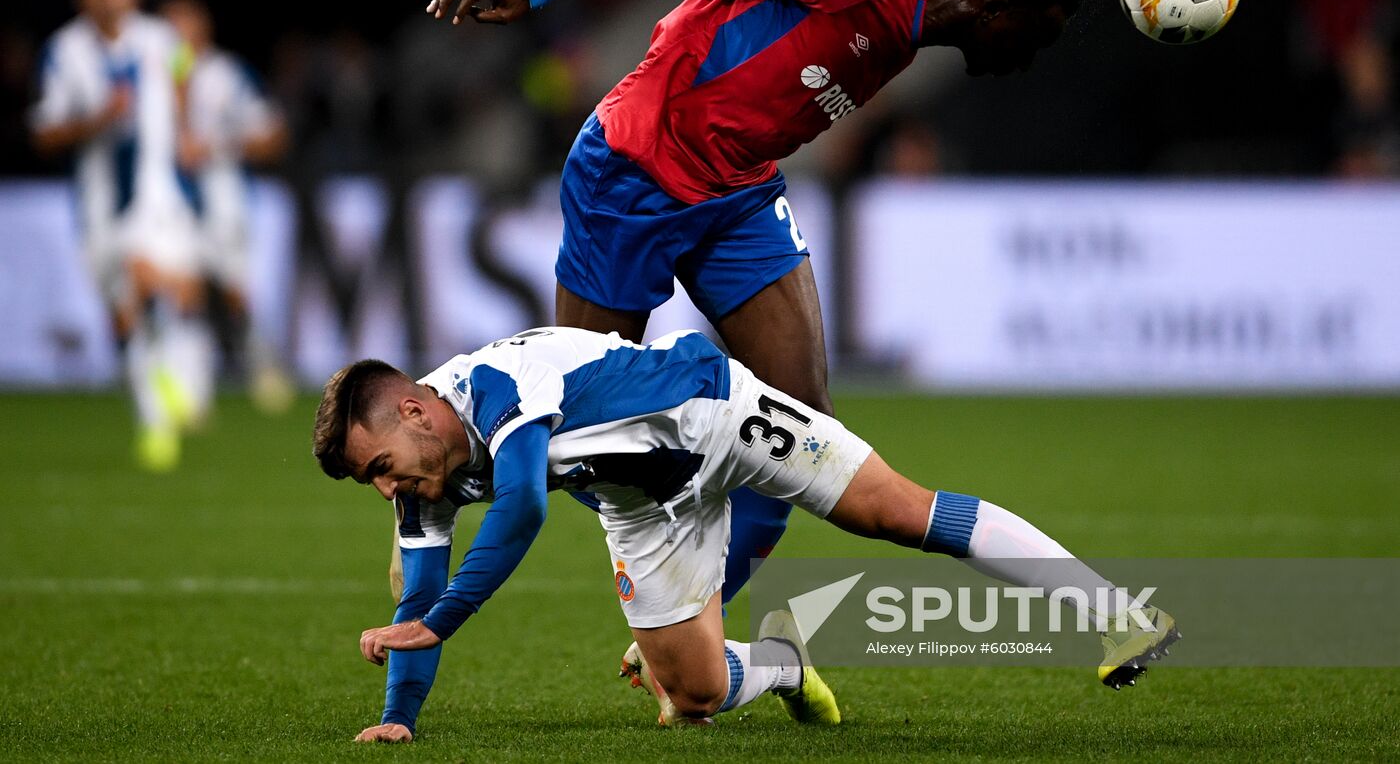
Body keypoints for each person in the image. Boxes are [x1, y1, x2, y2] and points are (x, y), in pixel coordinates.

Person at [423, 0, 1078, 608]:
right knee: (579, 412)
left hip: (738, 193)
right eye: (1034, 37)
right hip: (636, 169)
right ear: (995, 4)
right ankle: (439, 470)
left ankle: (703, 622)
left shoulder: (904, 39)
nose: (1028, 59)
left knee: (803, 426)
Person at [312, 327, 1177, 743]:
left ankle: (1117, 611)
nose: (387, 488)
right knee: (689, 700)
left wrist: (446, 619)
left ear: (419, 411)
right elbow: (415, 604)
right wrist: (402, 718)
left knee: (895, 510)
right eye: (371, 481)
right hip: (644, 507)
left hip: (716, 410)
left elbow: (524, 510)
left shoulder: (495, 385)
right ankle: (784, 665)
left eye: (382, 463)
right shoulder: (420, 475)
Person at [30, 0, 214, 470]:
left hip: (161, 193)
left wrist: (182, 131)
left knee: (170, 285)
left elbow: (183, 72)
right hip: (100, 201)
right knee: (125, 309)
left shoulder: (159, 38)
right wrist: (97, 120)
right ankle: (157, 413)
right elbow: (43, 135)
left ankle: (166, 395)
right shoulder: (62, 52)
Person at [159, 0, 294, 411]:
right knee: (184, 290)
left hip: (222, 200)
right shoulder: (148, 77)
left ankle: (261, 362)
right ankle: (189, 390)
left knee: (234, 291)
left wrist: (216, 145)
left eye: (184, 28)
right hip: (166, 200)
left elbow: (273, 136)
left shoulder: (227, 75)